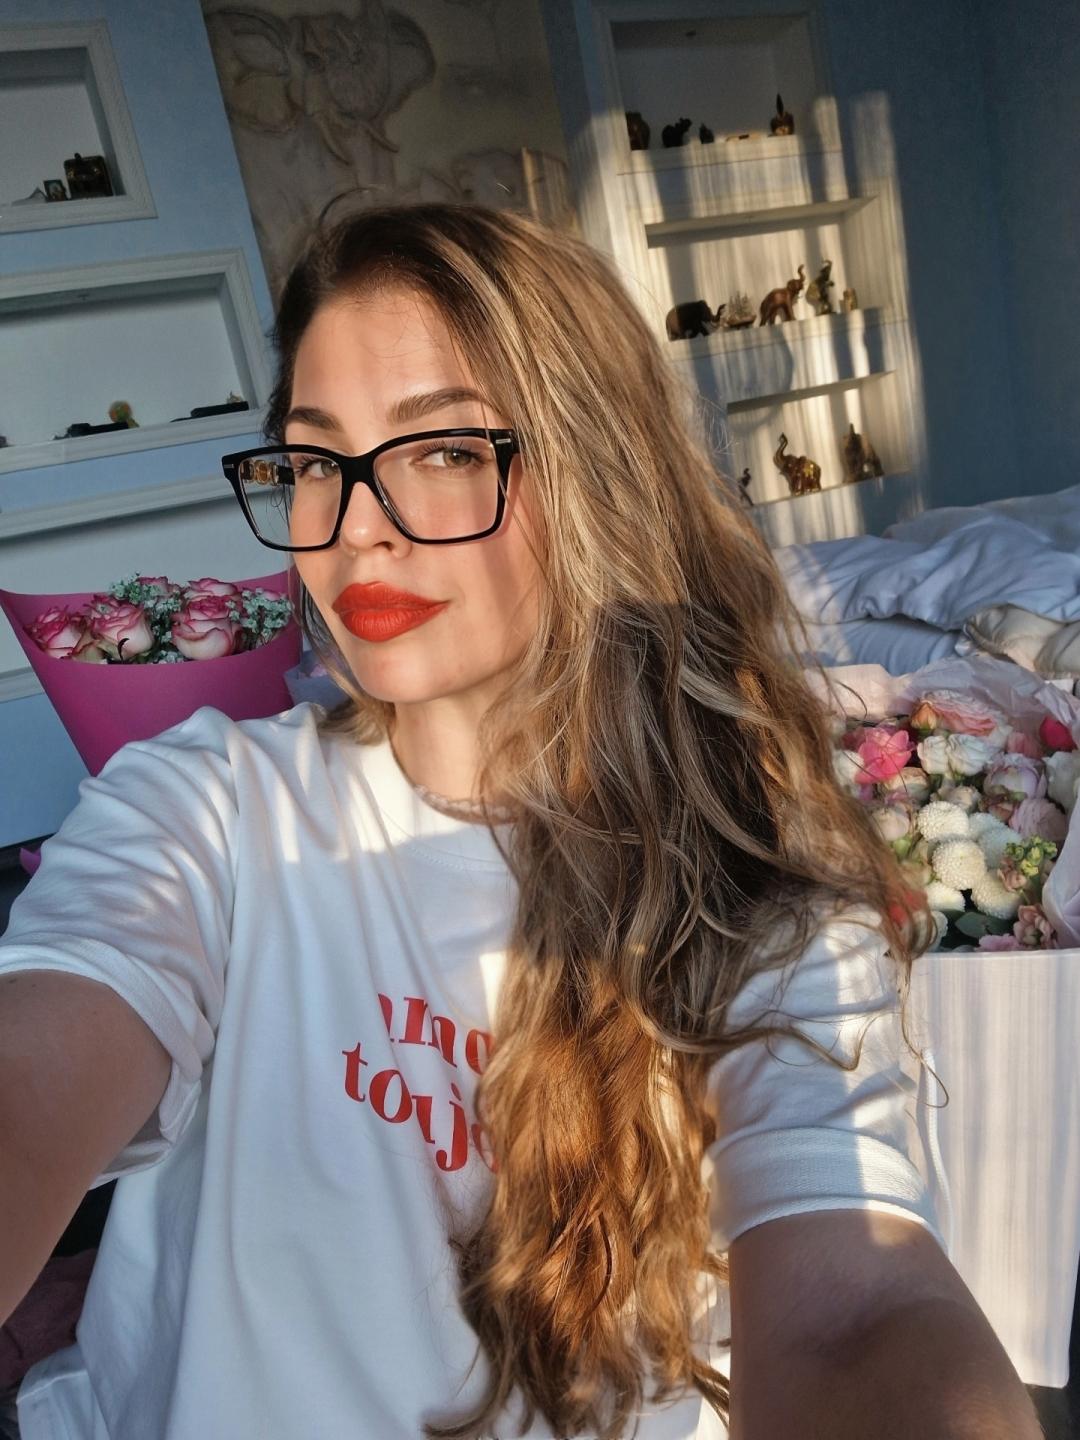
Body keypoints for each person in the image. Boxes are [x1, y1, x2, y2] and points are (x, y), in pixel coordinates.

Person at [0, 203, 1042, 1440]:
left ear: (597, 471)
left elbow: (852, 1311)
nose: (357, 524)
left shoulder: (758, 896)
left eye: (444, 450)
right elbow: (31, 1079)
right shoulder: (207, 809)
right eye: (316, 461)